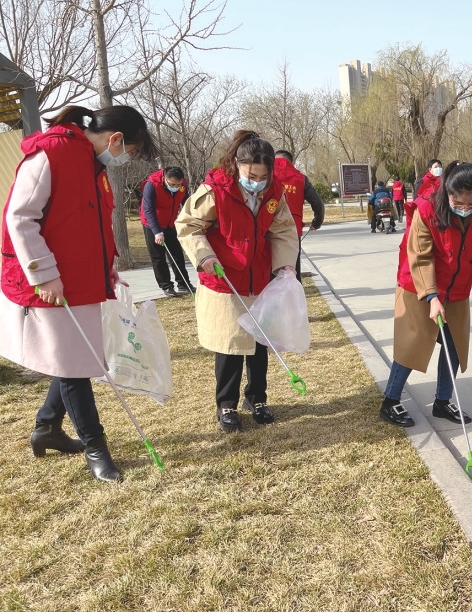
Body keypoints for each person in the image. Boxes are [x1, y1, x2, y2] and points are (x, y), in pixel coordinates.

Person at [0, 104, 156, 482]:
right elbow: (20, 218)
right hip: (52, 285)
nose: (125, 159)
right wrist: (44, 273)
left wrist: (108, 269)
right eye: (129, 151)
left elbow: (90, 225)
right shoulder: (52, 153)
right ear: (115, 139)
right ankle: (95, 448)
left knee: (75, 357)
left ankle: (47, 427)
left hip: (81, 281)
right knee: (74, 365)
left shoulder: (92, 165)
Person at [176, 131, 298, 432]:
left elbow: (283, 230)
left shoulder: (274, 193)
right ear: (236, 164)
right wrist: (204, 256)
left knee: (259, 344)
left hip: (259, 277)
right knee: (229, 345)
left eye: (263, 175)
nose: (256, 180)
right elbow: (189, 225)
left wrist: (285, 265)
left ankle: (257, 398)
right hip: (225, 278)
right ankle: (226, 404)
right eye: (250, 174)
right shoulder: (215, 189)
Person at [380, 161, 472, 427]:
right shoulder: (427, 207)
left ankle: (442, 402)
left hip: (457, 285)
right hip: (417, 284)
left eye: (471, 205)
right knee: (412, 344)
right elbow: (421, 256)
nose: (464, 210)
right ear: (448, 192)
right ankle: (390, 401)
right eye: (458, 204)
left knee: (454, 346)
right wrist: (431, 297)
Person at [140, 166, 194, 297]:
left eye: (178, 184)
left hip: (170, 222)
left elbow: (186, 203)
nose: (175, 187)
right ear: (165, 179)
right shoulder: (151, 185)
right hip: (152, 224)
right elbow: (148, 210)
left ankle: (183, 283)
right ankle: (166, 285)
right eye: (172, 184)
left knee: (177, 254)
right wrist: (157, 232)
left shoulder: (182, 185)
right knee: (158, 257)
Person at [273, 150, 325, 280]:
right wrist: (316, 223)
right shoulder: (301, 178)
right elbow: (318, 203)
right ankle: (293, 297)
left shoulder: (265, 175)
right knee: (292, 269)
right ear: (291, 162)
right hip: (292, 230)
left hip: (268, 229)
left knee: (269, 270)